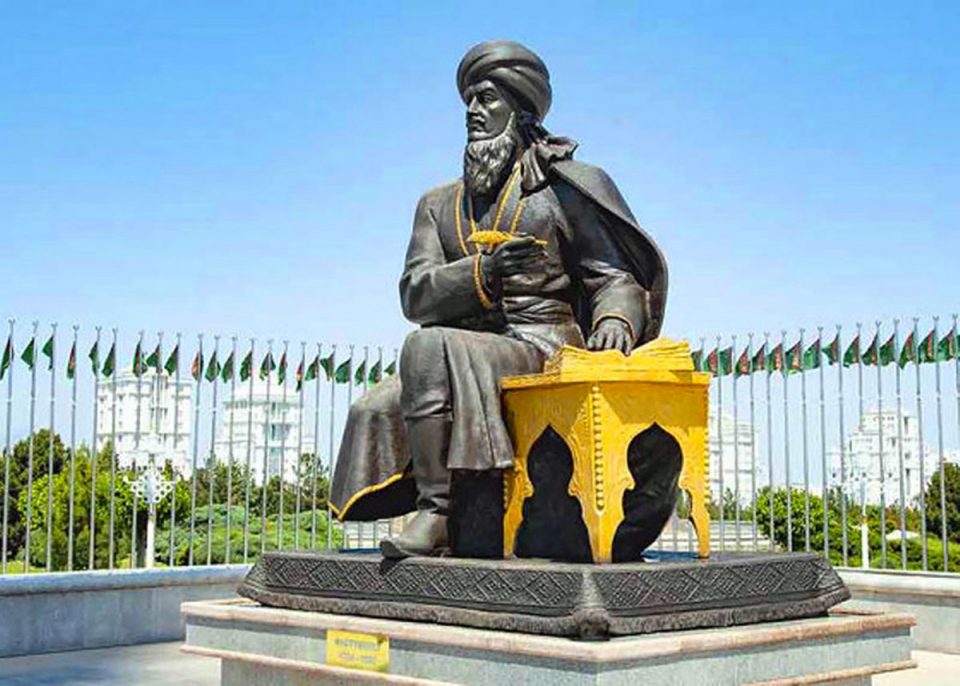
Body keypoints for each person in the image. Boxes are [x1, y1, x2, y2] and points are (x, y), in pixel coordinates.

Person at [329, 40, 667, 559]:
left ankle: (437, 512)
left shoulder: (564, 188)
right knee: (389, 390)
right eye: (468, 100)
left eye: (487, 98)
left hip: (543, 346)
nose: (472, 111)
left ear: (520, 110)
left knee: (426, 348)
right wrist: (482, 273)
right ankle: (444, 511)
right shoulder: (438, 205)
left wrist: (616, 320)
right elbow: (415, 296)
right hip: (456, 354)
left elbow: (614, 277)